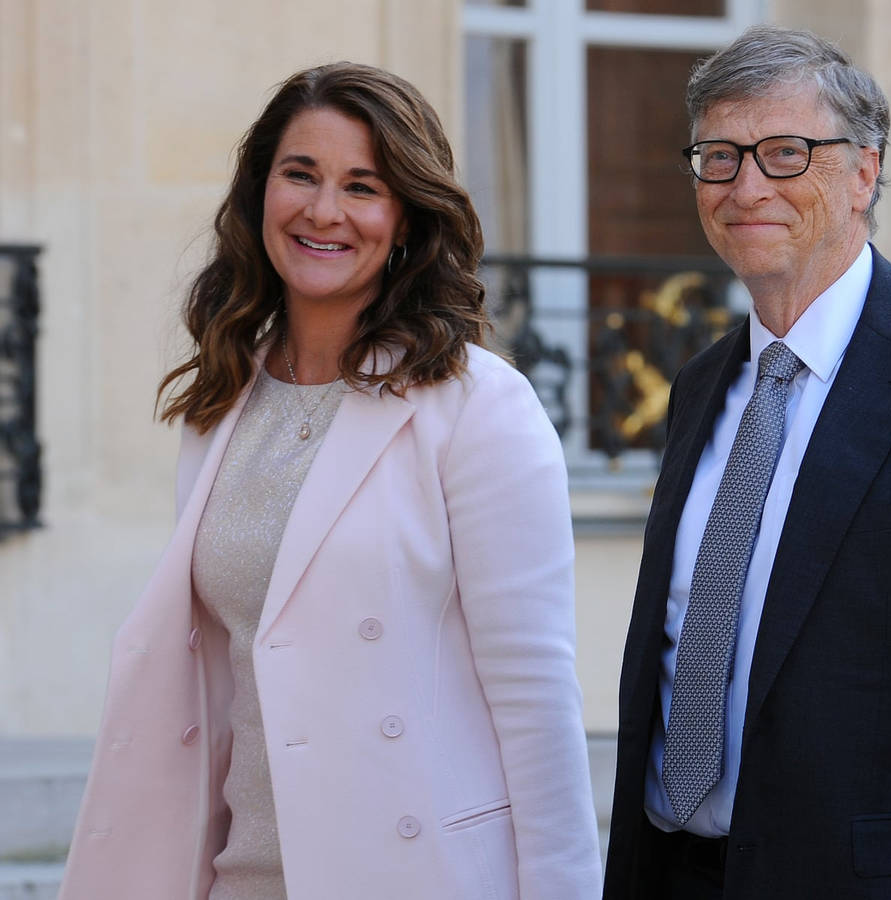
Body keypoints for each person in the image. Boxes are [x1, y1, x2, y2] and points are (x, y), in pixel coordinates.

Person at [59, 62, 603, 899]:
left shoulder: (477, 406)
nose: (323, 212)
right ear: (260, 193)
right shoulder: (221, 400)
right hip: (241, 878)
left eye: (363, 187)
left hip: (414, 876)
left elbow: (535, 699)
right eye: (300, 175)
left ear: (409, 219)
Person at [604, 25, 891, 900]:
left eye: (785, 153)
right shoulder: (700, 387)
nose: (747, 186)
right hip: (674, 871)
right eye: (720, 157)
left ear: (864, 172)